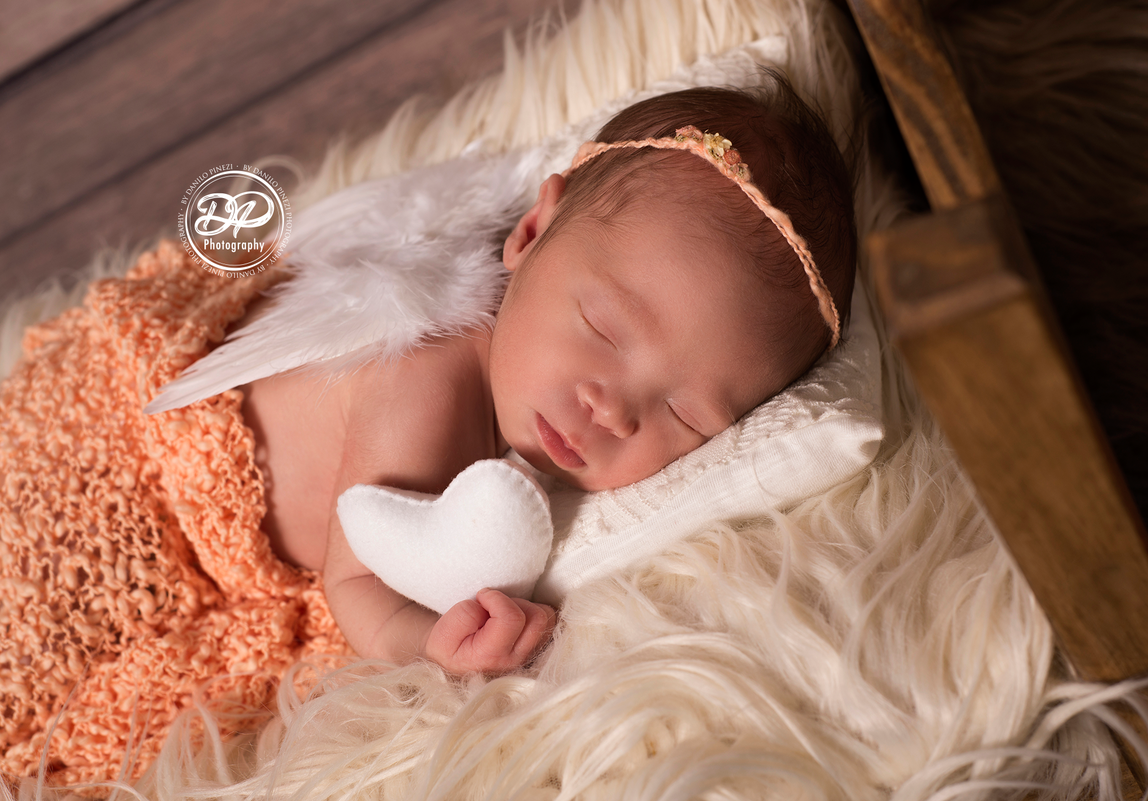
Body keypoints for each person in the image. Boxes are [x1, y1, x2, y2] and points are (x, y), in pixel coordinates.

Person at [238, 77, 858, 675]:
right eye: (604, 328)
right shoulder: (428, 377)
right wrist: (434, 647)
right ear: (531, 232)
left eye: (686, 415)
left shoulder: (531, 374)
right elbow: (354, 581)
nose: (610, 411)